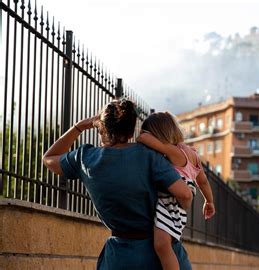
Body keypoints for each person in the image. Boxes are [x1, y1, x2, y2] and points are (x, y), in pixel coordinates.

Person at [43, 99, 193, 270]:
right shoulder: (149, 155)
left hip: (120, 258)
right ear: (131, 132)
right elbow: (185, 195)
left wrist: (81, 126)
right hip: (162, 255)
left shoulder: (85, 158)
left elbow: (49, 158)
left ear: (102, 126)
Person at [137, 111, 215, 270]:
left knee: (162, 245)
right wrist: (209, 201)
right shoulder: (193, 154)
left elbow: (146, 140)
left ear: (159, 134)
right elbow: (203, 182)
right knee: (165, 243)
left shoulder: (174, 151)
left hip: (171, 200)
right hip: (177, 201)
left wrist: (142, 135)